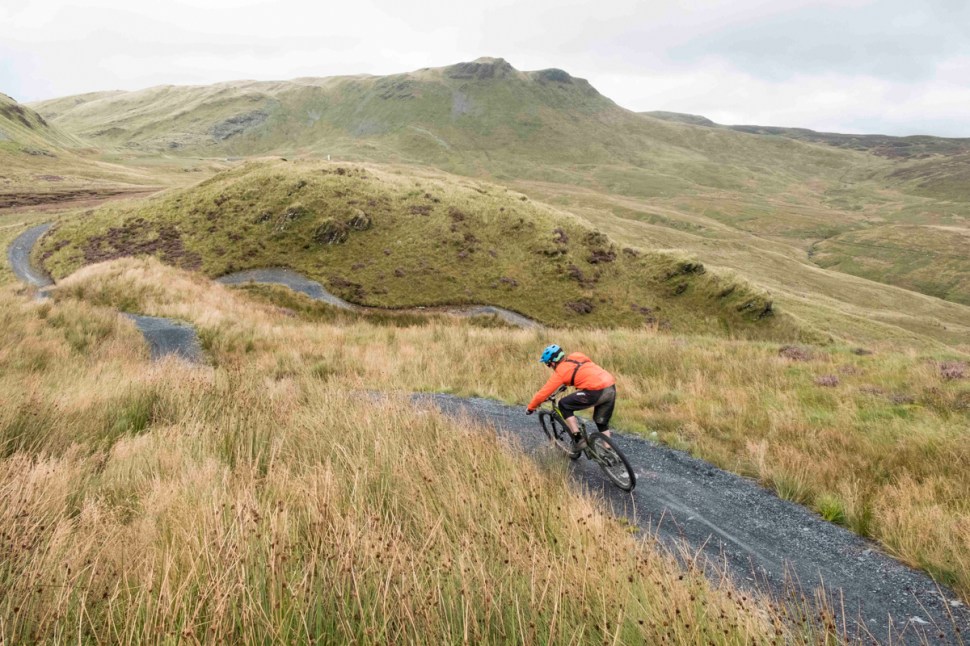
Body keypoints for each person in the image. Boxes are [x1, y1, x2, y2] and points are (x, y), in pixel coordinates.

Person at [525, 344, 616, 450]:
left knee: (564, 404)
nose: (549, 367)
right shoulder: (577, 355)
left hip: (596, 391)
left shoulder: (560, 373)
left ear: (553, 363)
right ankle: (608, 451)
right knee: (601, 422)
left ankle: (578, 439)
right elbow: (585, 369)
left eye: (548, 364)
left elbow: (543, 393)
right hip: (610, 386)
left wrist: (531, 408)